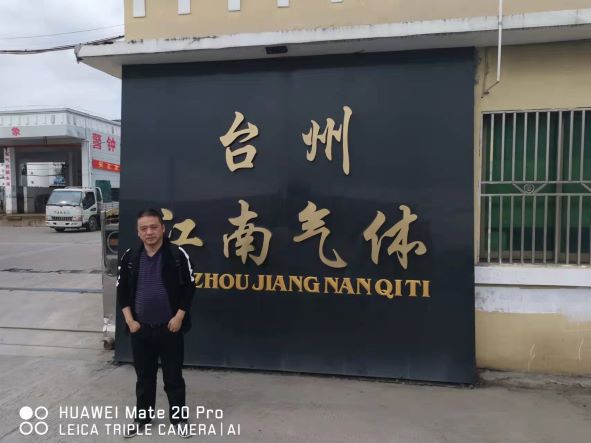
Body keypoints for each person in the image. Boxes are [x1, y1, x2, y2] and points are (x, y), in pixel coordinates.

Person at [116, 208, 195, 439]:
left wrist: (179, 317)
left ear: (162, 228)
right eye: (144, 228)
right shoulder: (130, 257)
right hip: (140, 330)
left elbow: (190, 288)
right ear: (138, 232)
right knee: (144, 378)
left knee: (173, 378)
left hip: (170, 329)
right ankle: (142, 418)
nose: (149, 232)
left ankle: (179, 419)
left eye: (153, 227)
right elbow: (122, 291)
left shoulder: (177, 254)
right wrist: (130, 321)